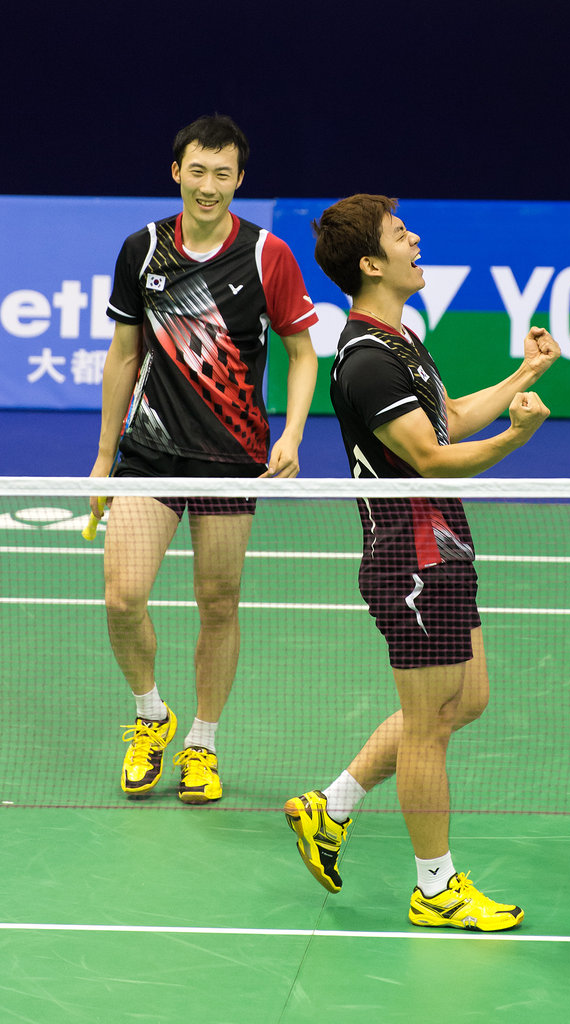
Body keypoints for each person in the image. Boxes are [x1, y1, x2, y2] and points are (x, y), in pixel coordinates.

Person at [284, 194, 560, 931]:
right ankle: (434, 887)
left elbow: (448, 418)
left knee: (464, 701)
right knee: (428, 725)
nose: (415, 240)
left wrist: (522, 377)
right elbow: (432, 458)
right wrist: (516, 439)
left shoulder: (400, 339)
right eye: (400, 234)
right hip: (410, 561)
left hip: (442, 546)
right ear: (371, 264)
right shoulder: (367, 361)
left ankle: (329, 807)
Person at [90, 114, 318, 804]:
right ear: (176, 172)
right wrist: (101, 459)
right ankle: (151, 716)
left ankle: (202, 743)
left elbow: (302, 353)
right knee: (122, 596)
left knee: (218, 603)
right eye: (197, 170)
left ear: (239, 179)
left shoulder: (267, 255)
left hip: (232, 457)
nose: (209, 185)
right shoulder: (143, 249)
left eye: (223, 173)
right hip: (150, 452)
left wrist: (292, 434)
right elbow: (123, 355)